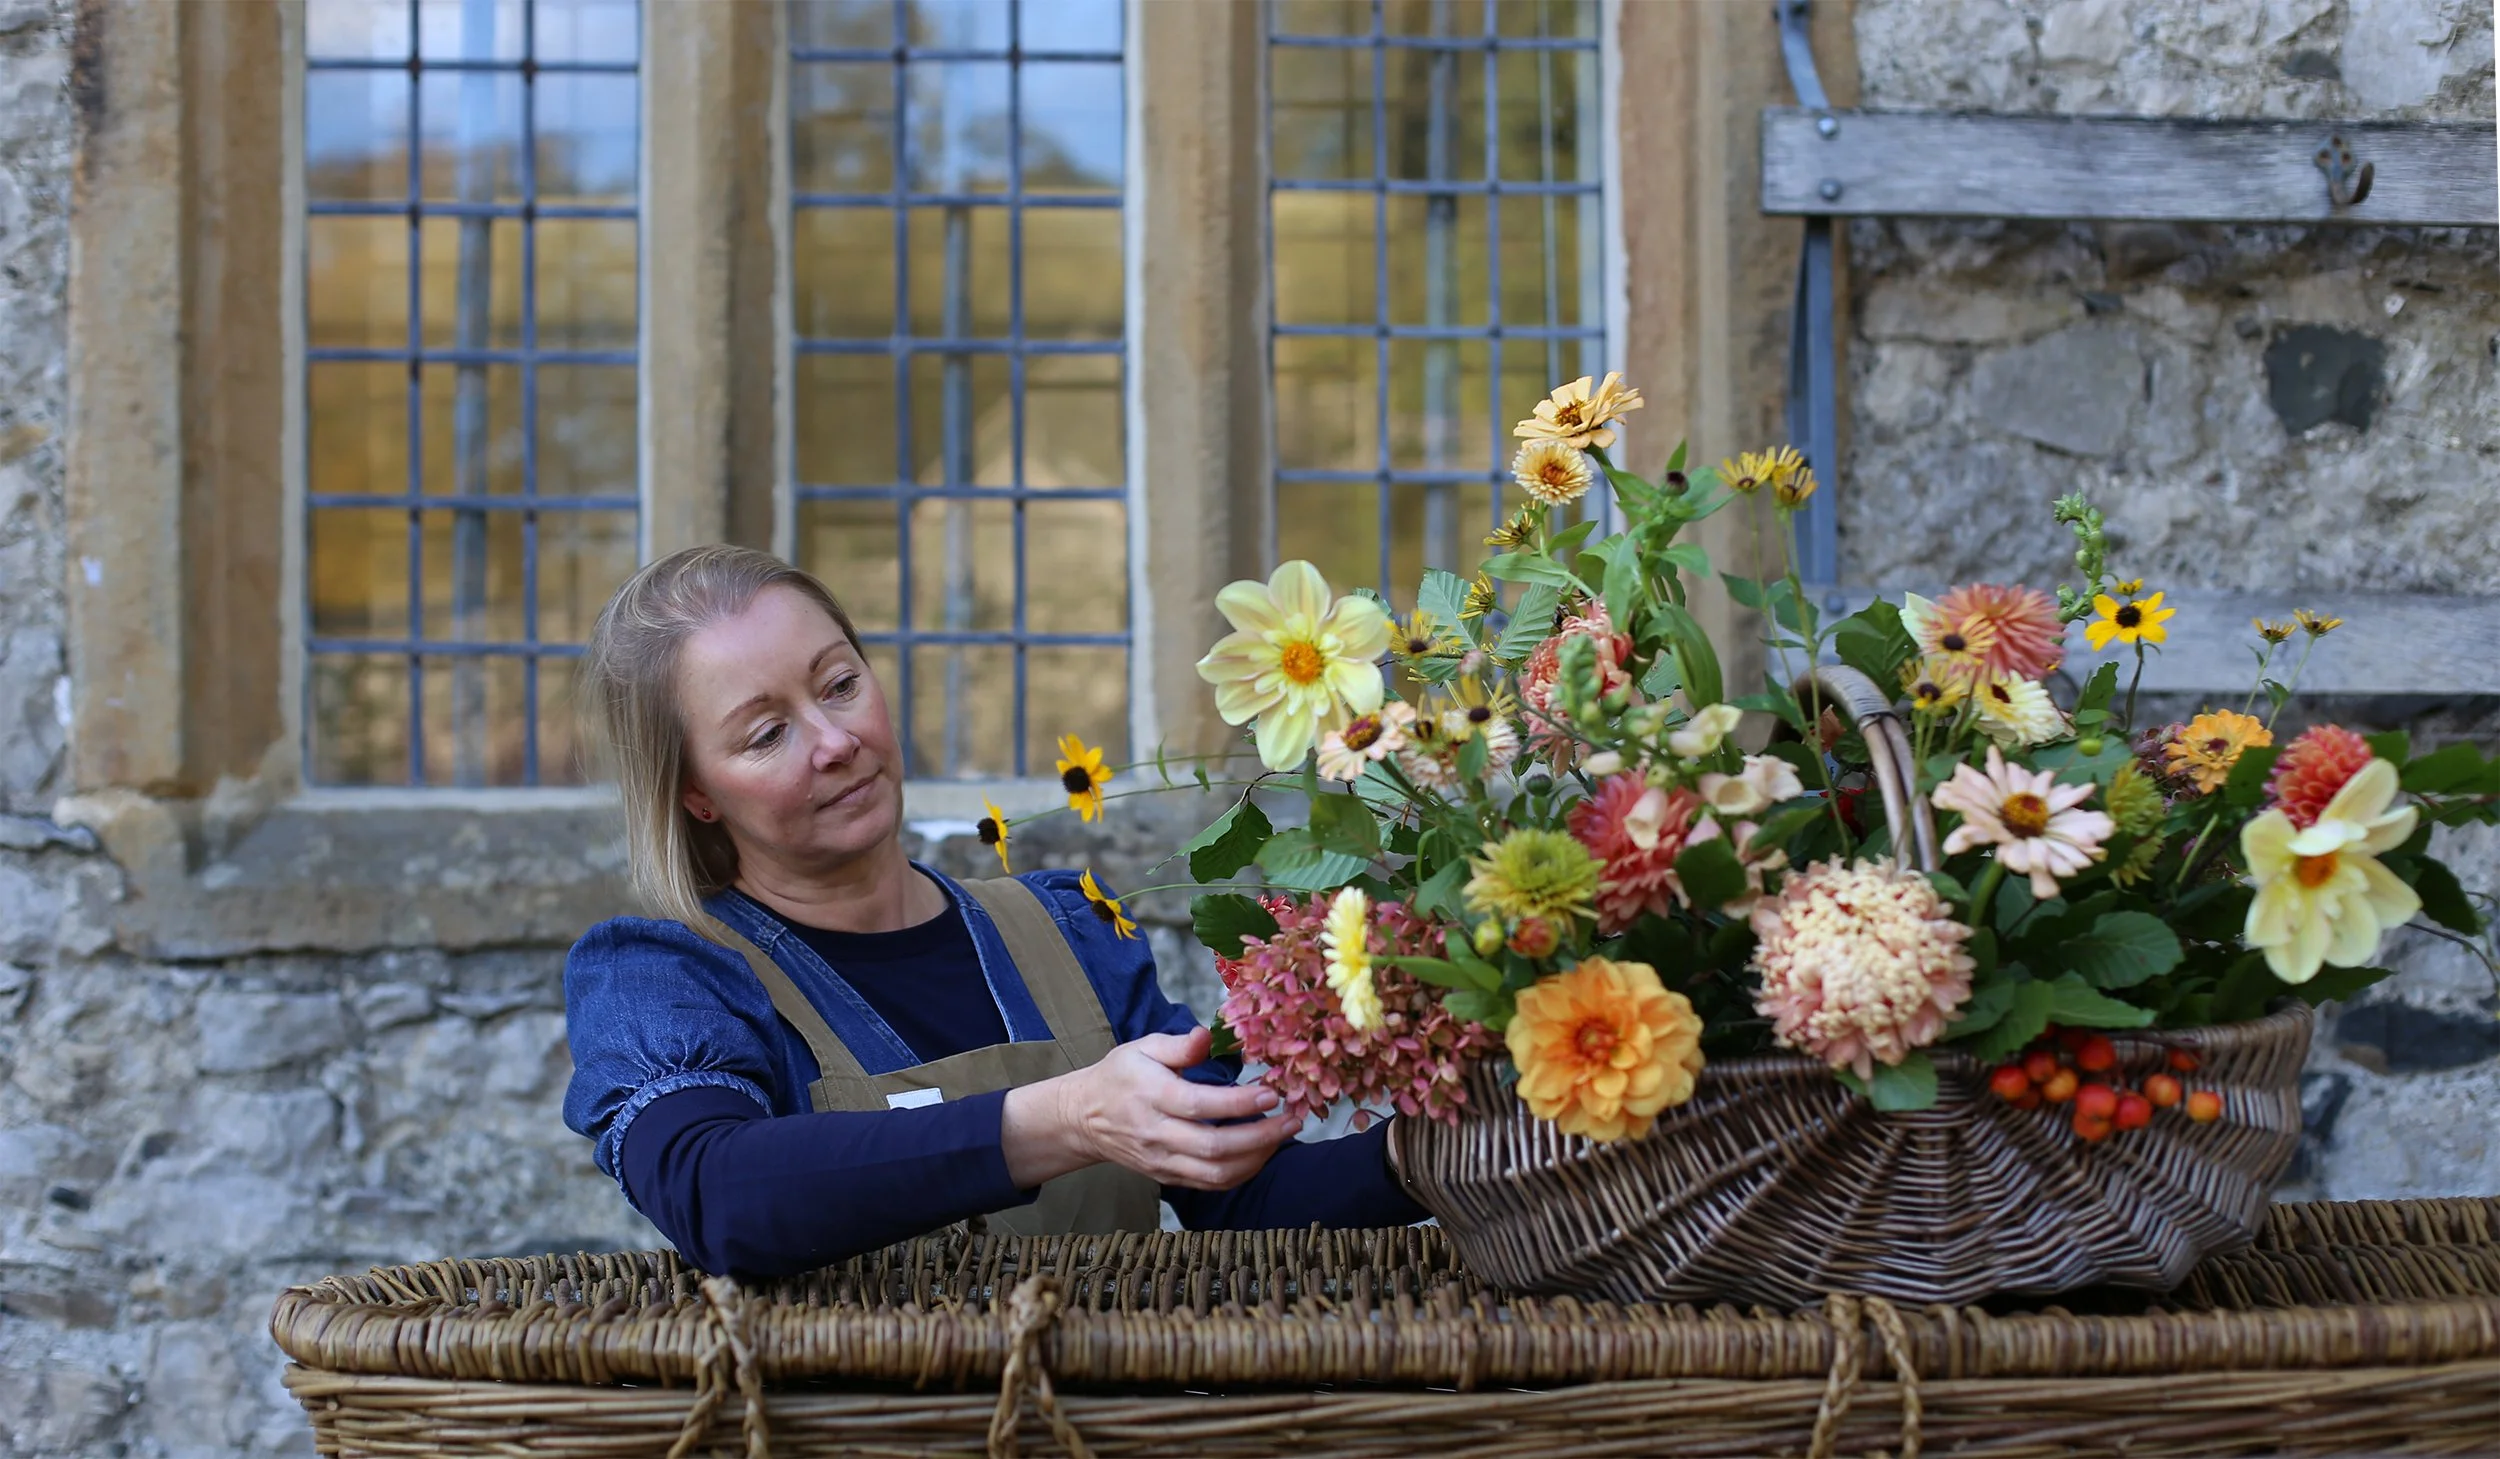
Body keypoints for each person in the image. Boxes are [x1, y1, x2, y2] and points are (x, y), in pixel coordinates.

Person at [561, 546, 1424, 1278]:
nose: (836, 741)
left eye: (840, 684)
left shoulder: (1070, 932)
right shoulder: (668, 975)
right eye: (766, 734)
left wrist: (1421, 1156)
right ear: (697, 795)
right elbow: (714, 1195)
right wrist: (1067, 1118)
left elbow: (1243, 1196)